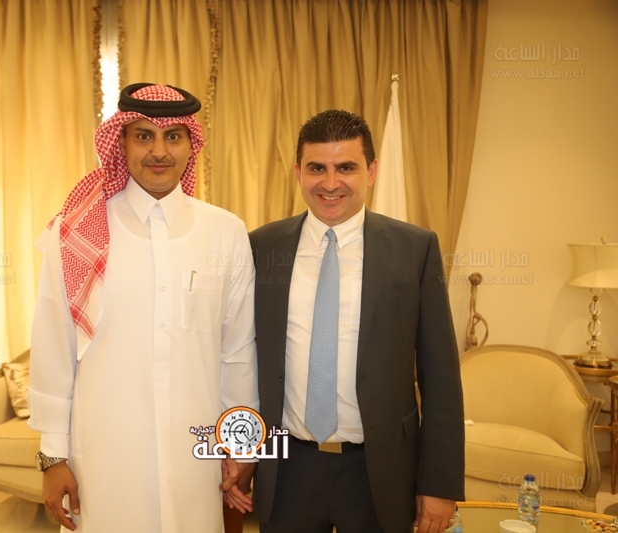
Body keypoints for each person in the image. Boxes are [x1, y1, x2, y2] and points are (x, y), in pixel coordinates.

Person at [28, 83, 258, 532]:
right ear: (121, 143)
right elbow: (54, 348)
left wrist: (242, 444)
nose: (159, 151)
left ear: (191, 145)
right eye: (144, 136)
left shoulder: (225, 232)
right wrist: (52, 456)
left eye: (173, 136)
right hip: (105, 460)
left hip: (196, 458)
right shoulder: (75, 233)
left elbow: (237, 352)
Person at [249, 109, 464, 533]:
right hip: (287, 469)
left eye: (346, 167)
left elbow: (441, 376)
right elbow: (239, 357)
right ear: (298, 172)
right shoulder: (261, 247)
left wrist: (439, 484)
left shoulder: (415, 249)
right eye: (317, 168)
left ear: (372, 171)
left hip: (379, 473)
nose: (330, 183)